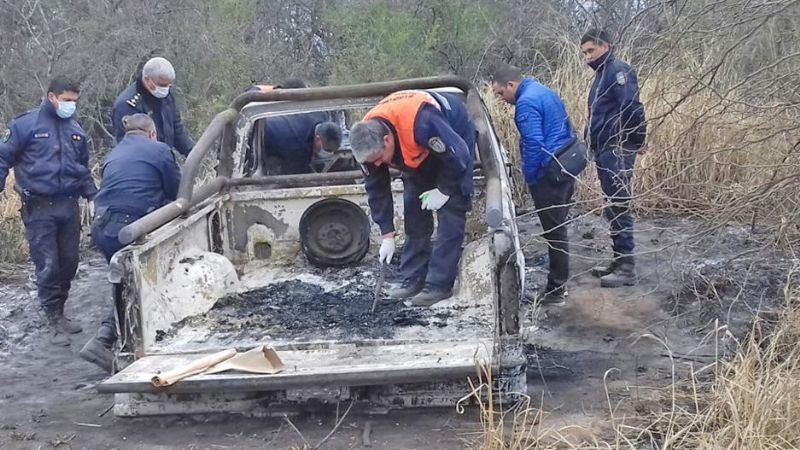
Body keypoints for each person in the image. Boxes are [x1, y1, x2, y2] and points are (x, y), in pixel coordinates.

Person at [350, 90, 474, 307]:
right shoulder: (366, 142)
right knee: (414, 207)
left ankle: (438, 285)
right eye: (372, 162)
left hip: (453, 140)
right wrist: (387, 234)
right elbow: (376, 188)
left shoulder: (422, 121)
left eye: (379, 159)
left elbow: (458, 156)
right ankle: (413, 278)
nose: (378, 165)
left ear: (387, 140)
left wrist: (444, 190)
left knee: (451, 210)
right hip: (415, 150)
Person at [78, 114, 181, 372]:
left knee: (124, 283)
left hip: (102, 227)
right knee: (134, 285)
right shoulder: (159, 150)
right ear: (151, 133)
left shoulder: (112, 154)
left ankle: (118, 342)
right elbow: (177, 192)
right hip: (129, 225)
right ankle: (105, 340)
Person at [0, 76, 97, 345]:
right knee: (48, 265)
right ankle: (52, 318)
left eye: (75, 101)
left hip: (68, 206)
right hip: (39, 207)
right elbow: (3, 157)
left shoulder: (75, 129)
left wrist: (93, 196)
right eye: (66, 100)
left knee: (69, 263)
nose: (71, 106)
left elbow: (81, 167)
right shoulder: (25, 125)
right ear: (52, 97)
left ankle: (61, 311)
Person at [491, 65, 577, 306]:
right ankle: (560, 285)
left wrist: (530, 177)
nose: (501, 99)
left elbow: (533, 143)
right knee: (559, 227)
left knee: (555, 233)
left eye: (500, 93)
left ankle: (556, 290)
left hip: (548, 173)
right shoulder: (543, 91)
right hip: (565, 165)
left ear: (511, 85)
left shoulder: (526, 103)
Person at [581, 29, 647, 287]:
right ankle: (619, 259)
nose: (587, 57)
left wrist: (636, 141)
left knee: (618, 204)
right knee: (612, 205)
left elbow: (631, 107)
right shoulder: (602, 74)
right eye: (584, 53)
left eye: (591, 51)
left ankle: (627, 267)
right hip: (605, 149)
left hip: (617, 148)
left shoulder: (618, 71)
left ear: (605, 46)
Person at [111, 57, 194, 157]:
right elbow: (128, 146)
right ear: (147, 79)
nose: (165, 89)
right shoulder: (127, 106)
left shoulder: (166, 96)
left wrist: (192, 153)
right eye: (162, 85)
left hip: (164, 159)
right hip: (143, 163)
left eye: (169, 85)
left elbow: (177, 129)